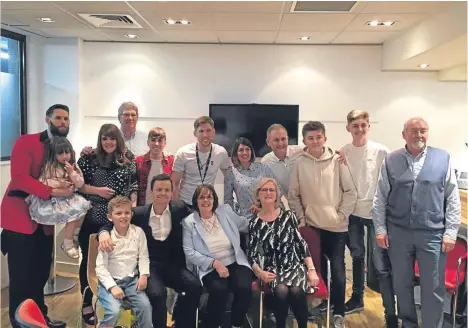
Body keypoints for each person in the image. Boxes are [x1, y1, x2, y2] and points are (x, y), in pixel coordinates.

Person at [373, 117, 461, 328]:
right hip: (398, 233)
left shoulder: (443, 158)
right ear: (404, 134)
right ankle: (409, 324)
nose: (418, 135)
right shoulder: (391, 160)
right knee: (402, 284)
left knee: (432, 287)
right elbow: (380, 198)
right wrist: (380, 229)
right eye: (413, 131)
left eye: (423, 131)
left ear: (428, 133)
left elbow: (452, 198)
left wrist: (450, 232)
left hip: (432, 235)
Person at [0, 104, 72, 328]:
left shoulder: (63, 147)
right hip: (20, 220)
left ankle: (40, 318)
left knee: (40, 274)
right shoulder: (26, 142)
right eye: (58, 117)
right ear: (47, 119)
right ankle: (20, 322)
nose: (62, 122)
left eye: (66, 119)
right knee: (21, 278)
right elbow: (20, 177)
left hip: (45, 223)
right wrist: (53, 191)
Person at [99, 174, 201, 328]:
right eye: (159, 189)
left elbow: (201, 213)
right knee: (157, 294)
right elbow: (114, 222)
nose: (163, 193)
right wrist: (103, 233)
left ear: (172, 193)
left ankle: (181, 323)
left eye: (167, 190)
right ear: (151, 192)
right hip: (150, 265)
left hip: (173, 264)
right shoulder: (139, 213)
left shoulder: (179, 208)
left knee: (194, 286)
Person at [288, 121, 357, 328]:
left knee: (337, 270)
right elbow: (293, 195)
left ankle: (338, 312)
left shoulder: (338, 160)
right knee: (315, 270)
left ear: (325, 138)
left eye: (319, 137)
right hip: (312, 226)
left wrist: (340, 216)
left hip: (336, 227)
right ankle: (318, 307)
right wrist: (302, 218)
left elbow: (350, 192)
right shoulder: (299, 163)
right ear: (304, 141)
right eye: (311, 138)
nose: (315, 141)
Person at [339, 110, 397, 326]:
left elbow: (392, 181)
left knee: (382, 265)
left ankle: (390, 312)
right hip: (353, 213)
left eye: (364, 125)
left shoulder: (382, 150)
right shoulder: (342, 152)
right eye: (355, 126)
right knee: (356, 258)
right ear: (348, 128)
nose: (360, 129)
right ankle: (356, 298)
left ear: (368, 126)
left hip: (377, 215)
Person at [77, 123, 138, 325]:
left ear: (118, 140)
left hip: (120, 219)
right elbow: (78, 187)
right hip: (94, 216)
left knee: (120, 261)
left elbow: (134, 185)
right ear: (100, 140)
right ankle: (87, 302)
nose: (108, 142)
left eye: (112, 138)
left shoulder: (128, 160)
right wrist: (98, 191)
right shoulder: (88, 159)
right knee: (90, 262)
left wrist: (134, 203)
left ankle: (117, 300)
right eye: (104, 138)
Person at [249, 178, 320, 328]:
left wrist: (311, 270)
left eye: (272, 190)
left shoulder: (288, 216)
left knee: (296, 291)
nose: (268, 193)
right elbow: (252, 255)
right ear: (258, 195)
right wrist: (260, 273)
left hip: (294, 265)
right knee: (281, 291)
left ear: (276, 195)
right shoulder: (254, 222)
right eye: (264, 190)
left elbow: (301, 244)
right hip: (273, 268)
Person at [182, 184, 253, 328]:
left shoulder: (224, 211)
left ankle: (236, 324)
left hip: (235, 260)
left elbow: (244, 224)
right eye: (201, 197)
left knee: (244, 288)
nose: (206, 200)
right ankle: (214, 324)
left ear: (215, 199)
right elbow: (189, 252)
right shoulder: (189, 222)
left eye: (209, 197)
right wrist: (214, 263)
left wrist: (260, 212)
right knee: (220, 290)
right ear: (196, 200)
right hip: (209, 266)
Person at [27, 136, 91, 259]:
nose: (65, 156)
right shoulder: (50, 167)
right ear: (53, 155)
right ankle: (59, 245)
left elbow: (80, 183)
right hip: (52, 199)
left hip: (69, 199)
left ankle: (68, 241)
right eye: (60, 153)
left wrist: (72, 172)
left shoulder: (73, 166)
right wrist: (61, 184)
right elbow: (43, 182)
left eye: (67, 152)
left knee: (76, 214)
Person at [96, 196, 152, 328]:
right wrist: (112, 286)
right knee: (114, 311)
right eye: (118, 213)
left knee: (145, 307)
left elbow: (144, 257)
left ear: (132, 214)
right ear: (110, 217)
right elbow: (100, 267)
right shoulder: (106, 238)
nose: (123, 216)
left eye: (127, 213)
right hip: (110, 282)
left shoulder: (138, 232)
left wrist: (144, 275)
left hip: (132, 280)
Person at [172, 116, 231, 207]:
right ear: (195, 133)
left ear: (213, 132)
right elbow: (174, 183)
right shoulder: (183, 153)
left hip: (208, 203)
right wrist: (176, 207)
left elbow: (230, 178)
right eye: (201, 131)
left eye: (208, 130)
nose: (205, 135)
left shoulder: (221, 152)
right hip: (186, 203)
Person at [224, 137, 281, 217]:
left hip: (268, 215)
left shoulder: (263, 168)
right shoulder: (230, 173)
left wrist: (261, 207)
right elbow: (227, 201)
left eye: (247, 149)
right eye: (241, 150)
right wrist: (235, 218)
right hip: (246, 218)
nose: (245, 153)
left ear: (251, 151)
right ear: (236, 153)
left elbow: (278, 190)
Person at [80, 101, 147, 157]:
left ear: (137, 117)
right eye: (126, 114)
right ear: (119, 117)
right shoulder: (111, 137)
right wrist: (87, 151)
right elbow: (101, 151)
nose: (130, 118)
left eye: (133, 115)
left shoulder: (146, 138)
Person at [135, 127, 174, 206]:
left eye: (160, 141)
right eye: (153, 140)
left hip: (165, 207)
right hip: (144, 207)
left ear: (165, 143)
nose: (156, 144)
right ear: (148, 142)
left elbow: (174, 185)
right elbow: (134, 187)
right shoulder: (138, 161)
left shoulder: (171, 161)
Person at [261, 124, 303, 195]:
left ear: (287, 139)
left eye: (283, 139)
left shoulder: (301, 152)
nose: (280, 143)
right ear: (268, 142)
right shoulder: (265, 163)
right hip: (284, 204)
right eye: (276, 140)